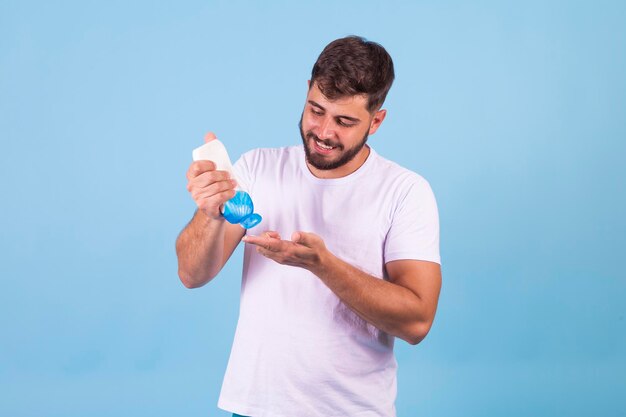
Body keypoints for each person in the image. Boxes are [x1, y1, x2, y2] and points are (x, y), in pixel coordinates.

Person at [176, 35, 442, 417]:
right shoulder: (256, 169)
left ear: (377, 120)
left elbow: (417, 322)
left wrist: (322, 264)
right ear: (306, 92)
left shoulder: (405, 192)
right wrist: (210, 212)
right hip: (253, 407)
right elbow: (190, 274)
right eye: (316, 110)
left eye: (345, 121)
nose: (324, 132)